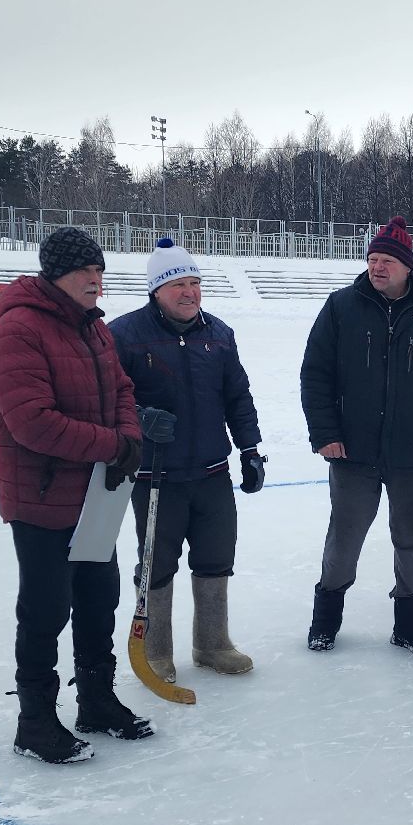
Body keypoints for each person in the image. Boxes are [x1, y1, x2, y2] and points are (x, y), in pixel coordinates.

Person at [0, 226, 153, 764]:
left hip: (96, 496)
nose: (95, 280)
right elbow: (32, 422)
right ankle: (34, 722)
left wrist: (128, 436)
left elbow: (122, 389)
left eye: (99, 270)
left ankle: (97, 701)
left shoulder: (93, 327)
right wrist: (113, 445)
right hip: (41, 498)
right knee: (46, 610)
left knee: (99, 600)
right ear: (55, 274)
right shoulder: (17, 332)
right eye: (84, 271)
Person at [300, 216, 413, 654]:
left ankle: (408, 625)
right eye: (373, 259)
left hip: (411, 451)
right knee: (345, 538)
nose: (377, 267)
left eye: (387, 261)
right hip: (352, 451)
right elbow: (315, 374)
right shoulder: (341, 306)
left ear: (407, 266)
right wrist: (325, 432)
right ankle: (325, 621)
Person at [108, 238, 264, 684]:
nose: (189, 292)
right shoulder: (124, 335)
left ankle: (212, 644)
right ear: (156, 290)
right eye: (178, 284)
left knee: (216, 557)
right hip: (156, 475)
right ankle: (156, 651)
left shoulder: (219, 334)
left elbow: (238, 398)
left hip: (212, 473)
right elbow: (107, 399)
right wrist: (140, 417)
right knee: (156, 564)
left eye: (195, 283)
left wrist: (250, 449)